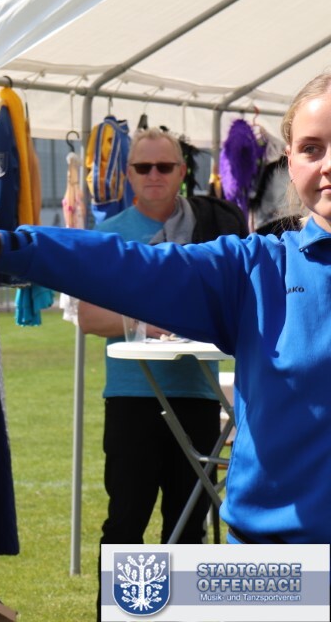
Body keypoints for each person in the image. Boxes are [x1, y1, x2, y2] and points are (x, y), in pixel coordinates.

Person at [0, 69, 331, 546]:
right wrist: (10, 245)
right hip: (276, 560)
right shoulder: (256, 269)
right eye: (312, 148)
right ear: (289, 160)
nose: (328, 164)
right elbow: (129, 266)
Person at [79, 128, 236, 545]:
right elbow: (88, 317)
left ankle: (179, 595)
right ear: (128, 174)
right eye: (143, 167)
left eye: (164, 167)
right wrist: (150, 323)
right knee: (125, 522)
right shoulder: (108, 234)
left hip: (198, 394)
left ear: (182, 172)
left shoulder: (211, 227)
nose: (154, 175)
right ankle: (118, 595)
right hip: (133, 395)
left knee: (188, 527)